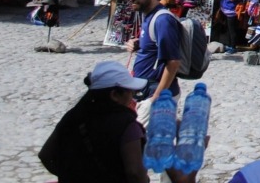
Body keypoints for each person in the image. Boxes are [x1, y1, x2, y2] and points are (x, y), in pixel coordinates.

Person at [39, 60, 201, 183]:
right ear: (114, 94)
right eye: (129, 92)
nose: (132, 97)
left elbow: (46, 155)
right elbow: (135, 173)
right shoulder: (127, 126)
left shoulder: (73, 116)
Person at [123, 0, 183, 125]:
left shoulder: (163, 20)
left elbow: (173, 62)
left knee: (143, 145)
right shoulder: (149, 16)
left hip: (156, 94)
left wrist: (156, 98)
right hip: (146, 91)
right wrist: (138, 44)